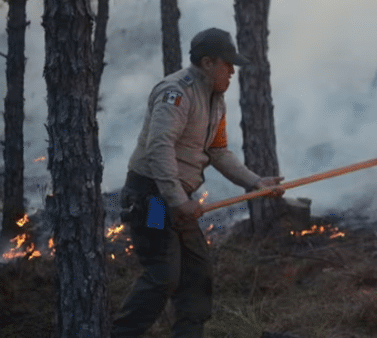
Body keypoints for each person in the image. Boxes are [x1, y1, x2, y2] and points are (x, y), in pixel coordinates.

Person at [112, 28, 284, 338]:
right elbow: (159, 147)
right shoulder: (176, 93)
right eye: (227, 65)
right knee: (163, 275)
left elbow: (218, 151)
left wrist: (255, 182)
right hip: (153, 199)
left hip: (177, 200)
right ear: (208, 63)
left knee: (196, 275)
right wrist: (177, 202)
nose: (232, 72)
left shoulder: (216, 101)